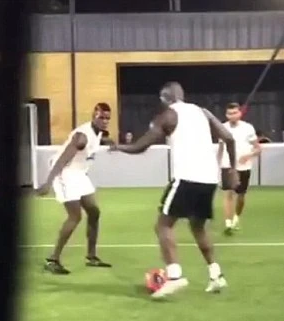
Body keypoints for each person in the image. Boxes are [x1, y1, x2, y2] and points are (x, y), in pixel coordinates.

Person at [110, 82, 239, 298]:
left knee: (163, 225)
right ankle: (216, 275)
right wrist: (232, 169)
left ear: (164, 98)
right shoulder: (203, 112)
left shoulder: (168, 115)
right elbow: (229, 138)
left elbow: (140, 146)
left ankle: (175, 276)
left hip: (186, 177)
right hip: (209, 179)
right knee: (198, 227)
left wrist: (118, 147)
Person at [36, 103, 113, 274]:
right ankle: (52, 260)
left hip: (79, 173)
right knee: (75, 216)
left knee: (94, 212)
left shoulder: (98, 132)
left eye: (107, 118)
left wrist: (110, 142)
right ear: (94, 116)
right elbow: (63, 158)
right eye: (101, 117)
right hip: (64, 172)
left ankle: (91, 257)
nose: (105, 121)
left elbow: (98, 140)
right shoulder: (82, 137)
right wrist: (48, 182)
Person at [218, 102, 261, 235]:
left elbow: (258, 148)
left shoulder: (248, 128)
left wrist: (248, 156)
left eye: (235, 112)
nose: (232, 116)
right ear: (226, 115)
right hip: (227, 166)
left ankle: (236, 218)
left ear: (240, 113)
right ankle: (228, 223)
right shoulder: (222, 128)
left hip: (244, 167)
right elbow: (220, 148)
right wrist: (217, 163)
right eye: (229, 113)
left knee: (241, 195)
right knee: (228, 193)